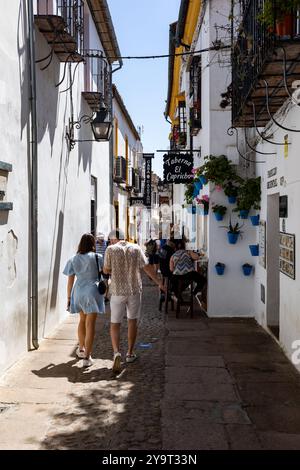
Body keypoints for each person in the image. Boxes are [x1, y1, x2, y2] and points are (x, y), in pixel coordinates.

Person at [103, 229, 164, 374]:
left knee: (115, 323)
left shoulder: (110, 250)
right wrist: (159, 282)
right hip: (134, 291)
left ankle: (116, 352)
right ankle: (130, 353)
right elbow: (146, 268)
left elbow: (106, 270)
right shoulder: (136, 248)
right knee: (132, 321)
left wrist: (112, 269)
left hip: (117, 291)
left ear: (114, 239)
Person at [63, 233, 105, 367]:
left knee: (82, 320)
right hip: (92, 291)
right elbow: (105, 274)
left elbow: (70, 281)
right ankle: (87, 357)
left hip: (78, 291)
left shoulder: (73, 259)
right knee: (90, 324)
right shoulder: (98, 257)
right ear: (93, 244)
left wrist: (69, 297)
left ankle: (81, 349)